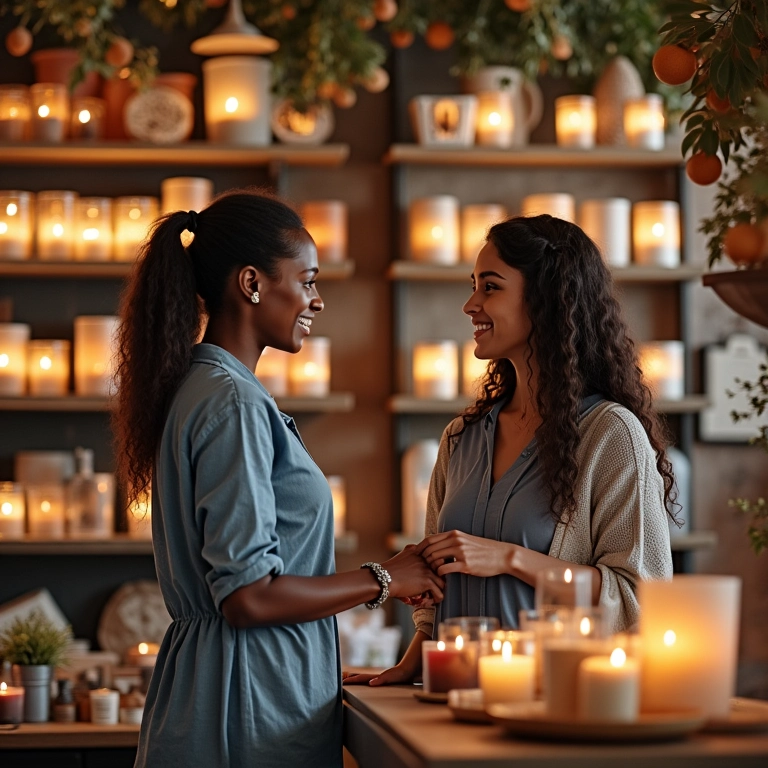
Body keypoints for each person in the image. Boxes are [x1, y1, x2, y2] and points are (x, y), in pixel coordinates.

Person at [112, 189, 444, 768]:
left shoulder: (204, 387)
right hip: (245, 704)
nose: (316, 300)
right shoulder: (231, 403)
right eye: (308, 280)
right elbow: (248, 597)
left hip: (235, 689)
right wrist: (383, 577)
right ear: (251, 283)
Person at [344, 214, 674, 689]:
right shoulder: (461, 437)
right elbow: (437, 586)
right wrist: (414, 660)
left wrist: (510, 559)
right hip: (451, 703)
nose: (470, 304)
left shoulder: (610, 435)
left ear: (546, 299)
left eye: (490, 287)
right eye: (473, 286)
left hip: (553, 708)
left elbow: (639, 597)